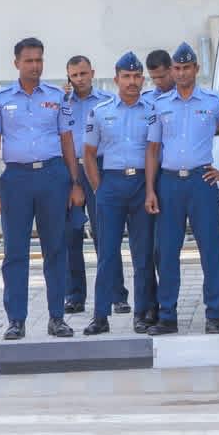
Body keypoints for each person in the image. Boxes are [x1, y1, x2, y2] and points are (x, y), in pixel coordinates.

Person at [145, 42, 219, 336]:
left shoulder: (214, 100)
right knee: (166, 252)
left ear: (196, 69)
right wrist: (150, 190)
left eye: (186, 68)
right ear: (171, 71)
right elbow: (152, 149)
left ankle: (214, 314)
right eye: (176, 69)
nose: (181, 73)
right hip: (168, 183)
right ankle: (167, 316)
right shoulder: (160, 104)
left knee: (209, 251)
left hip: (201, 182)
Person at [0, 37, 83, 340]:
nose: (35, 66)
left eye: (39, 59)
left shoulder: (56, 97)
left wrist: (75, 183)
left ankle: (57, 318)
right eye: (29, 60)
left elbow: (67, 141)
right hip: (16, 181)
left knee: (55, 249)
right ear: (16, 63)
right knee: (15, 252)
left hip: (53, 177)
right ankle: (16, 320)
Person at [82, 52, 159, 335]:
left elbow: (153, 151)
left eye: (137, 76)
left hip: (141, 185)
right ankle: (100, 316)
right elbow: (88, 154)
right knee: (107, 254)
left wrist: (150, 190)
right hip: (110, 185)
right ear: (116, 79)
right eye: (126, 77)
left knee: (142, 255)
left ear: (142, 78)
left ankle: (141, 313)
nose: (132, 82)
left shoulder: (151, 110)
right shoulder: (100, 111)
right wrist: (98, 188)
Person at [62, 56, 126, 315]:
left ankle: (117, 295)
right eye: (74, 75)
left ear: (92, 73)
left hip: (98, 168)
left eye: (83, 74)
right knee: (71, 236)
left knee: (106, 234)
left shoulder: (106, 102)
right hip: (68, 169)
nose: (79, 79)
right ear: (68, 76)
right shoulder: (60, 103)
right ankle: (74, 296)